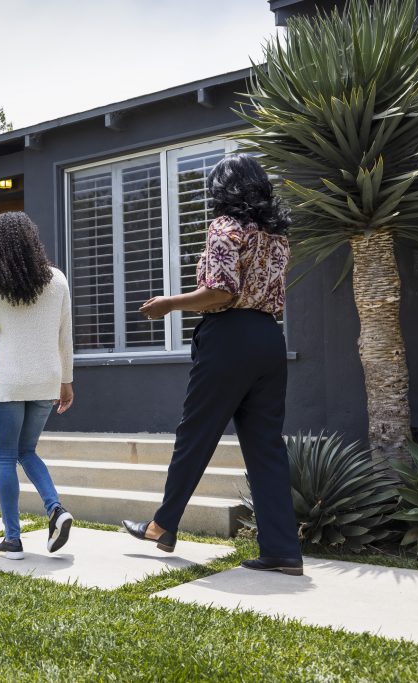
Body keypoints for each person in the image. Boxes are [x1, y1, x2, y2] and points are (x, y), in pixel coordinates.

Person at [122, 154, 304, 576]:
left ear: (223, 190)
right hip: (268, 339)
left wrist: (169, 304)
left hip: (230, 339)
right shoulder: (276, 235)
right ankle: (282, 550)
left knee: (196, 434)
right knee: (266, 446)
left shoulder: (225, 227)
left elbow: (221, 292)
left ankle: (162, 525)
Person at [0, 211, 75, 560]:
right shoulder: (58, 281)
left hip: (10, 382)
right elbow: (66, 338)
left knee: (5, 457)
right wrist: (67, 381)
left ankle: (13, 539)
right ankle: (55, 509)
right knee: (27, 451)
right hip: (47, 380)